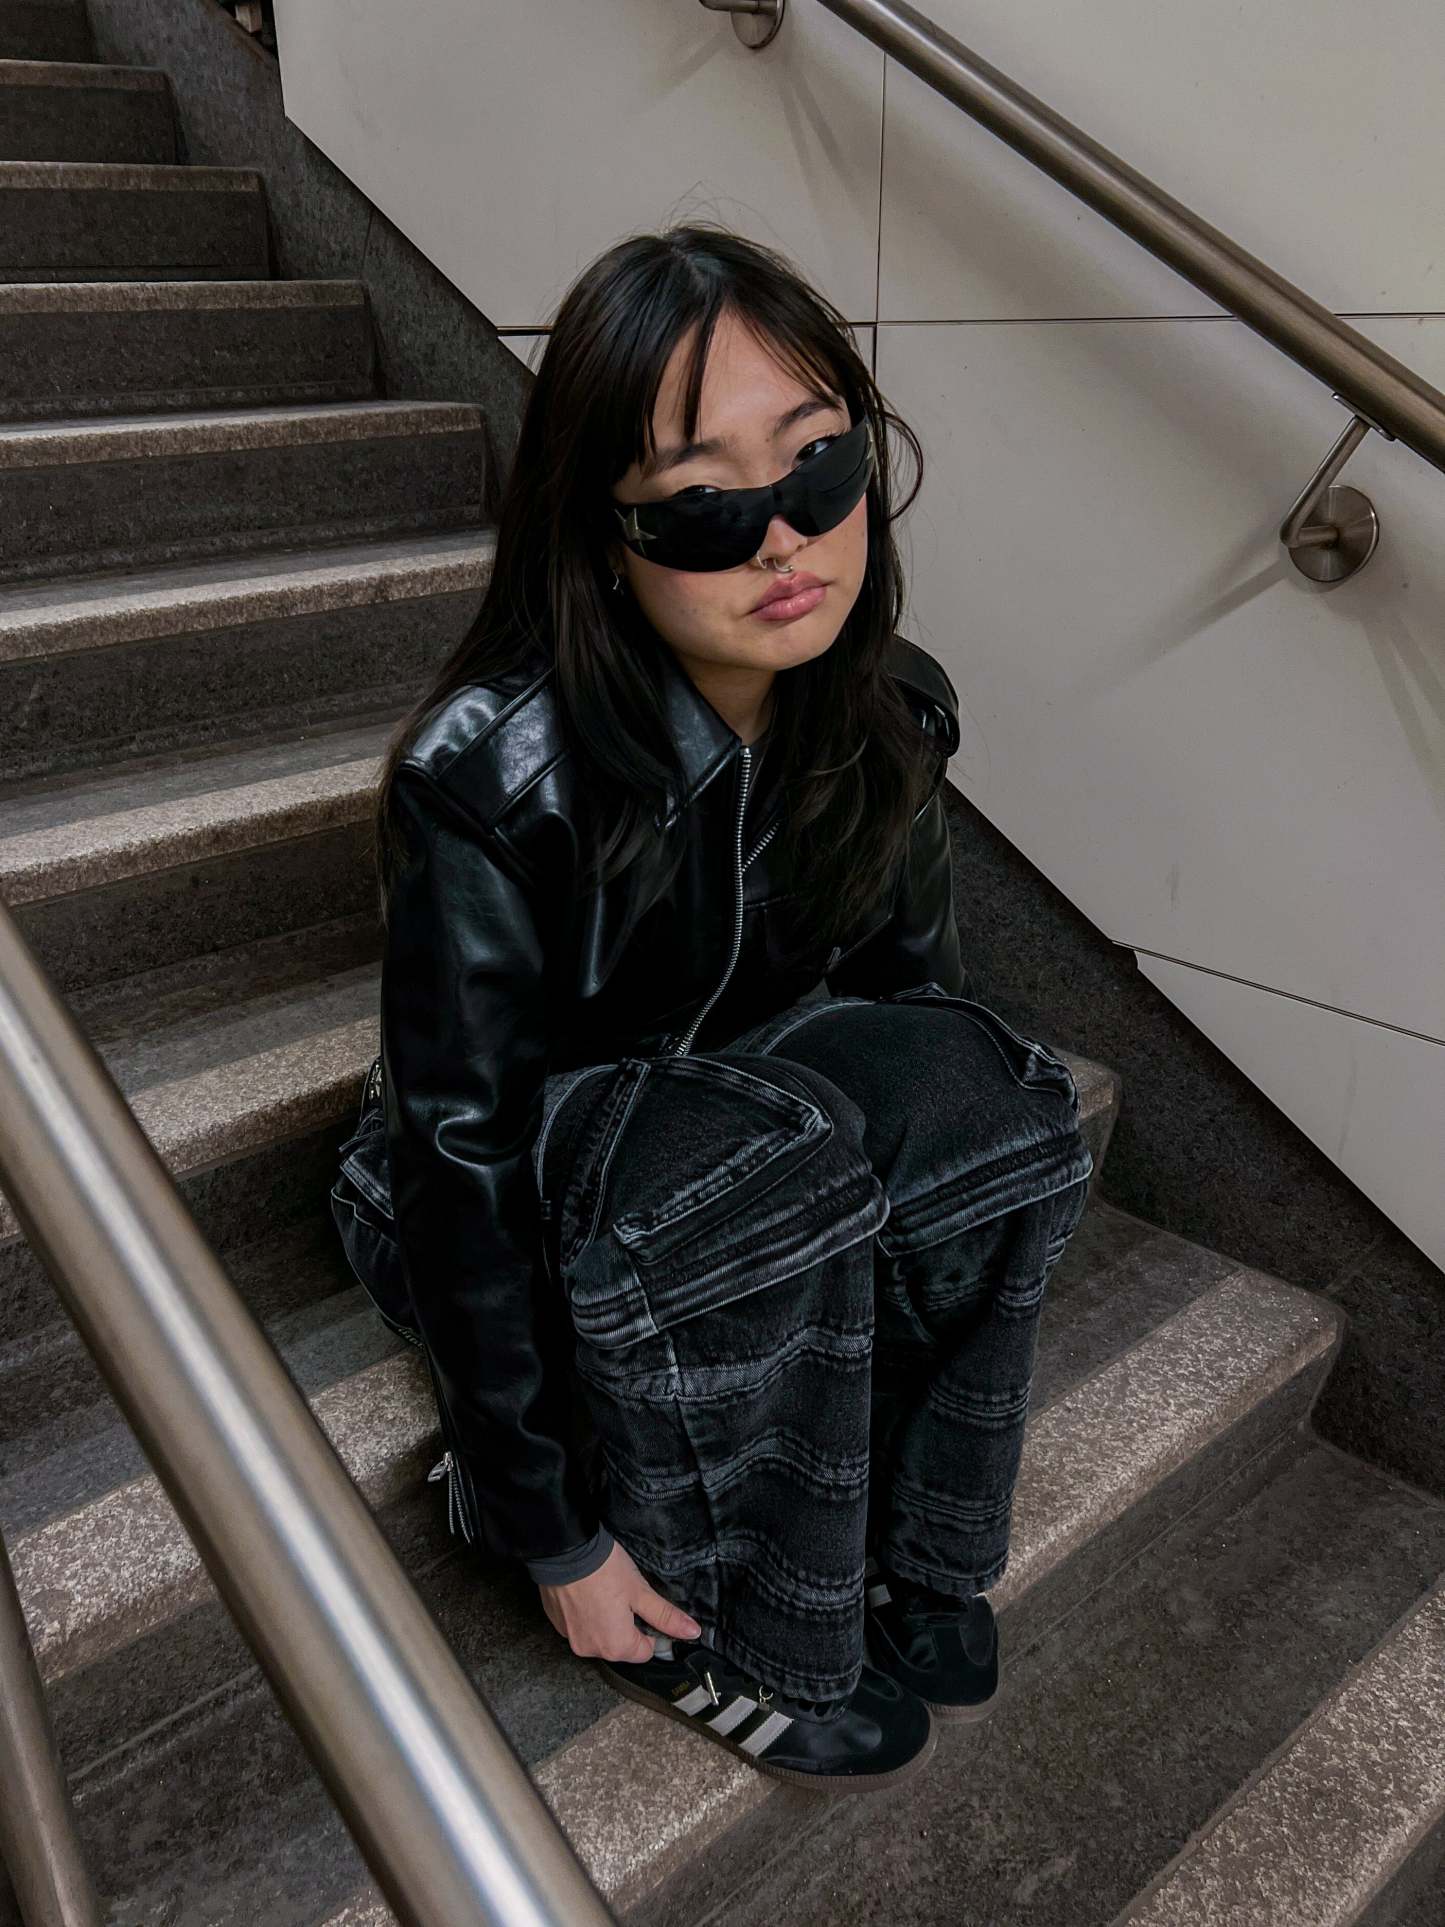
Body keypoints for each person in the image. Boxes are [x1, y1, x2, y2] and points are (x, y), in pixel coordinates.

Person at [359, 223, 1093, 1791]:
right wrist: (550, 1525)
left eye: (818, 469)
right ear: (600, 535)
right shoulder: (486, 777)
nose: (781, 540)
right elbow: (455, 1161)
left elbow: (908, 1018)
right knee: (770, 1153)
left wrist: (904, 1226)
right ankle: (742, 1626)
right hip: (517, 1191)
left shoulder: (886, 708)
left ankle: (911, 1541)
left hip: (745, 1142)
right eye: (702, 503)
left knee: (991, 1098)